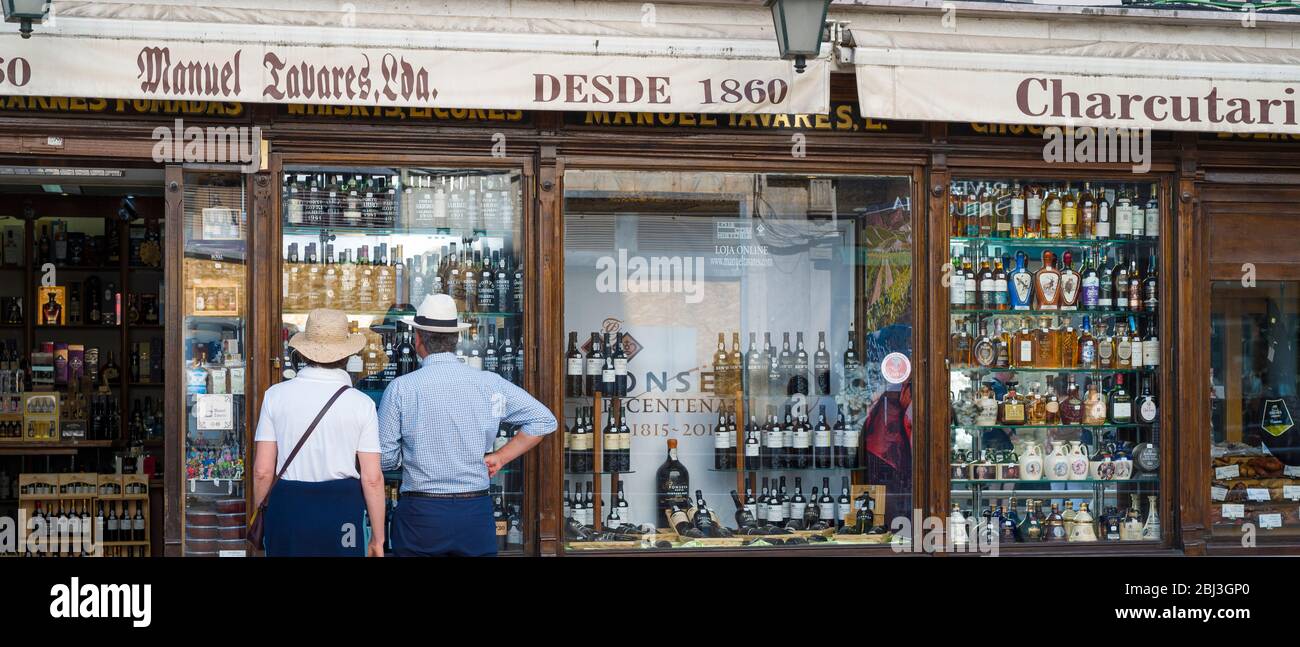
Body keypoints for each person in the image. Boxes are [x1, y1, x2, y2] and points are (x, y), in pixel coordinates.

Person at [380, 294, 556, 556]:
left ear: (418, 340)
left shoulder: (401, 388)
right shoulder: (489, 383)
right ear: (456, 340)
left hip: (421, 514)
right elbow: (544, 419)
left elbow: (384, 459)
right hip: (474, 510)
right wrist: (500, 456)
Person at [252, 308, 386, 557]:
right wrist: (378, 538)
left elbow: (262, 471)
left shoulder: (275, 396)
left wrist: (262, 511)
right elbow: (372, 478)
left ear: (303, 352)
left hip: (288, 507)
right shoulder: (361, 403)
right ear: (347, 355)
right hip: (341, 508)